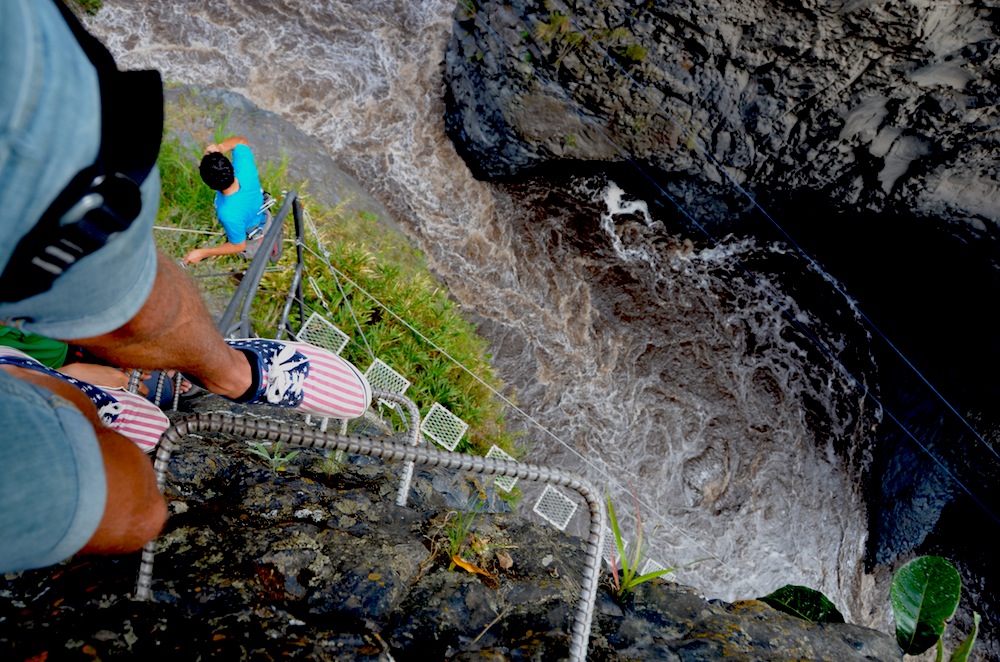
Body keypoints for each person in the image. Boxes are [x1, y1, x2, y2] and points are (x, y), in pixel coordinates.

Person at [0, 0, 371, 574]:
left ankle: (225, 370)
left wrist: (203, 250)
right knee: (128, 506)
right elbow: (242, 143)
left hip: (245, 241)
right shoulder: (244, 176)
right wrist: (222, 149)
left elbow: (234, 244)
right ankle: (50, 381)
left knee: (139, 507)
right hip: (266, 225)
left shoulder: (225, 215)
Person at [181, 137, 280, 265]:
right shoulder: (245, 170)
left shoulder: (228, 213)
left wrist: (202, 253)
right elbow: (241, 142)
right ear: (232, 169)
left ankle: (267, 248)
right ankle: (271, 240)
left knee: (254, 245)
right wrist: (220, 147)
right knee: (262, 227)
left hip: (250, 237)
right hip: (264, 216)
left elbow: (238, 246)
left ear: (210, 186)